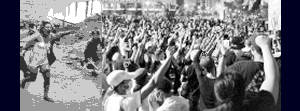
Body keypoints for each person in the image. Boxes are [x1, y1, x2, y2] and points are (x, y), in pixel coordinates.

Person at [204, 35, 279, 111]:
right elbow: (272, 78)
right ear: (243, 89)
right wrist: (265, 46)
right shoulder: (257, 106)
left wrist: (223, 54)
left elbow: (220, 75)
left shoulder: (239, 66)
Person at [104, 47, 175, 111]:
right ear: (121, 86)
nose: (131, 81)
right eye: (127, 80)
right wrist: (168, 58)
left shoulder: (109, 100)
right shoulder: (127, 102)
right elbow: (153, 82)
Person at [20, 21, 75, 102]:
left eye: (50, 27)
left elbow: (59, 34)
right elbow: (26, 41)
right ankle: (23, 81)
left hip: (44, 61)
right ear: (42, 28)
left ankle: (46, 96)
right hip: (34, 61)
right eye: (47, 27)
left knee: (47, 77)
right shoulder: (37, 35)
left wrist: (70, 32)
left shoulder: (50, 36)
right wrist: (22, 48)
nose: (49, 29)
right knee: (32, 78)